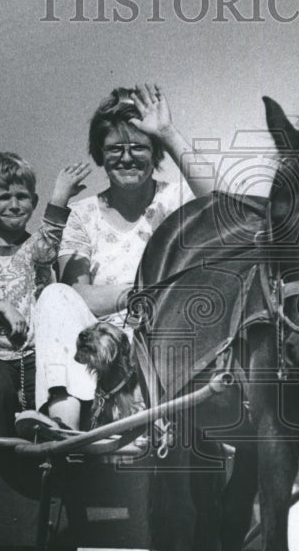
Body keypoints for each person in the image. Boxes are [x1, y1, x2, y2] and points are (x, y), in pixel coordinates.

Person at [34, 82, 213, 430]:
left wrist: (167, 132)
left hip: (163, 333)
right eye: (115, 148)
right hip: (101, 345)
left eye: (139, 147)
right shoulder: (82, 214)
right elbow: (75, 295)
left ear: (155, 152)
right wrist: (140, 293)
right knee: (53, 294)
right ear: (100, 154)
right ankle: (64, 428)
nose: (127, 158)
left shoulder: (176, 200)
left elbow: (225, 204)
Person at [0, 151, 90, 435]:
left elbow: (48, 247)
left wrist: (59, 199)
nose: (14, 205)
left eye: (22, 197)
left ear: (34, 201)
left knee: (56, 392)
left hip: (35, 355)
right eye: (2, 197)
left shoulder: (36, 249)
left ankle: (51, 455)